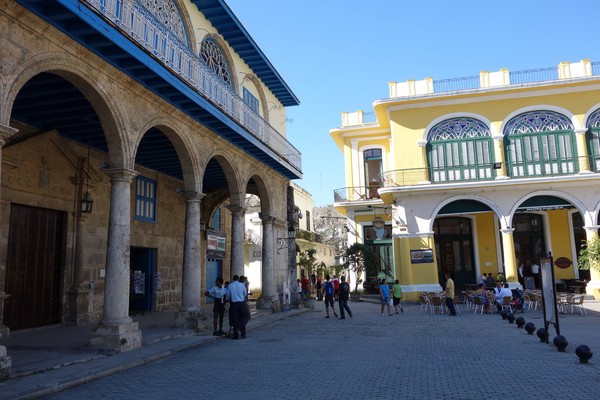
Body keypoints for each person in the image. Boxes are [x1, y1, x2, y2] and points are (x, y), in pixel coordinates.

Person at [227, 275, 248, 339]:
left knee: (235, 319)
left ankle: (236, 335)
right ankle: (243, 334)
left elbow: (228, 294)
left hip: (234, 304)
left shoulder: (230, 285)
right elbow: (245, 293)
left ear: (233, 279)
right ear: (238, 279)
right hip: (241, 303)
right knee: (242, 319)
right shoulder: (242, 285)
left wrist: (229, 299)